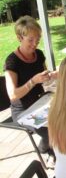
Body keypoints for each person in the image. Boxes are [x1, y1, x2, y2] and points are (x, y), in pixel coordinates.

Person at [3, 15, 57, 154]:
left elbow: (45, 78)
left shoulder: (38, 54)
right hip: (23, 110)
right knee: (53, 133)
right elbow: (13, 95)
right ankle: (47, 151)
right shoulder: (12, 61)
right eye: (30, 40)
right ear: (19, 38)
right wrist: (33, 81)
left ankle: (48, 148)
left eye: (37, 39)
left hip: (41, 102)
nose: (35, 44)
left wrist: (51, 75)